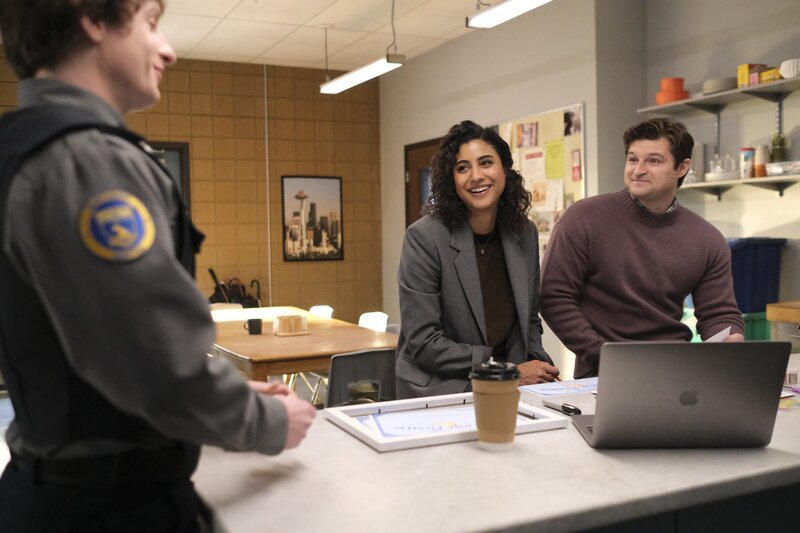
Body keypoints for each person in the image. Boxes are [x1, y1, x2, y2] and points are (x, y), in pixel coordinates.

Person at [0, 1, 316, 531]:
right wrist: (268, 421)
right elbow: (156, 366)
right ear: (92, 18)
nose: (167, 50)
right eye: (150, 22)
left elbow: (101, 351)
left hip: (58, 486)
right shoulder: (90, 159)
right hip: (111, 506)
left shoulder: (22, 146)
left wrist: (226, 395)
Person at [540, 117, 744, 379]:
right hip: (604, 373)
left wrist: (730, 337)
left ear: (682, 167)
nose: (638, 170)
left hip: (676, 370)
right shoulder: (583, 218)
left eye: (653, 161)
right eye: (633, 159)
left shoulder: (707, 239)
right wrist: (602, 353)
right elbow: (553, 296)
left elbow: (719, 313)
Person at [395, 120, 559, 398]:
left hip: (508, 384)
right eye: (463, 168)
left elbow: (529, 319)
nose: (476, 176)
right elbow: (424, 342)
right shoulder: (424, 237)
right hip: (440, 385)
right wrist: (507, 371)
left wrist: (538, 365)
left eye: (486, 163)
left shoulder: (524, 233)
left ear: (504, 169)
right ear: (452, 180)